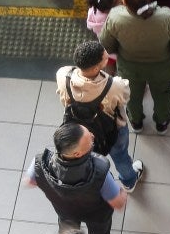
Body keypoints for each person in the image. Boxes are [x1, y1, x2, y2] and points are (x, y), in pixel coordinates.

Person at [27, 123, 128, 234]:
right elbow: (118, 203)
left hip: (65, 212)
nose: (93, 136)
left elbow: (30, 181)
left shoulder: (39, 164)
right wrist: (123, 193)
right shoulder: (100, 172)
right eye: (90, 140)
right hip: (97, 215)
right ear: (77, 154)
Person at [99, 0, 170, 133]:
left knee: (132, 96)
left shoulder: (115, 17)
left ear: (124, 2)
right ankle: (162, 122)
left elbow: (106, 44)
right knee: (162, 94)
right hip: (162, 67)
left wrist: (119, 51)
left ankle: (136, 122)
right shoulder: (167, 17)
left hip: (129, 67)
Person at [57, 40, 143, 192]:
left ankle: (103, 182)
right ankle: (129, 181)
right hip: (112, 130)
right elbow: (125, 97)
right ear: (97, 67)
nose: (108, 56)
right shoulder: (114, 85)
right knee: (120, 156)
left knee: (93, 160)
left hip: (79, 133)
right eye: (105, 57)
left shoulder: (63, 75)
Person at [85, 0, 119, 70]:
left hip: (107, 48)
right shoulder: (112, 18)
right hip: (119, 50)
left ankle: (108, 81)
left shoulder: (93, 10)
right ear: (109, 10)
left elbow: (89, 26)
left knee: (109, 66)